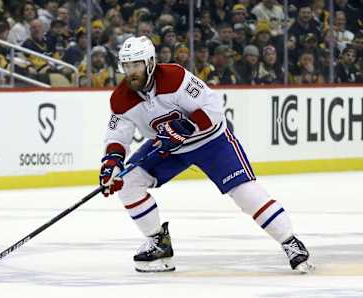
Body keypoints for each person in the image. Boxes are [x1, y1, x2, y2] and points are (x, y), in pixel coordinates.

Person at [99, 36, 314, 274]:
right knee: (129, 183)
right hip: (170, 147)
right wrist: (112, 165)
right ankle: (159, 243)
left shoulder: (175, 77)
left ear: (150, 63)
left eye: (136, 64)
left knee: (245, 193)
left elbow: (213, 109)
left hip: (211, 141)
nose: (131, 72)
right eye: (126, 66)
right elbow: (117, 137)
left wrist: (185, 127)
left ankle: (290, 242)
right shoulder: (120, 98)